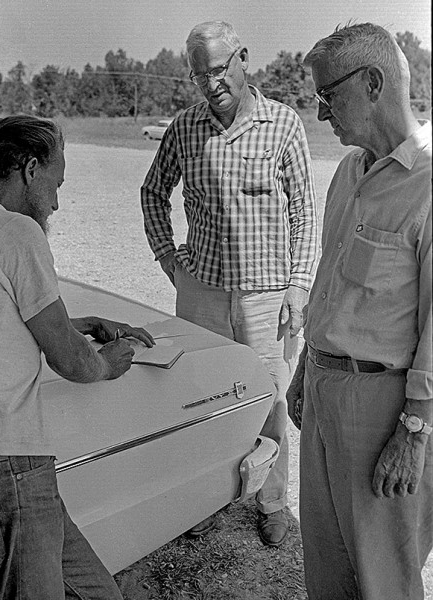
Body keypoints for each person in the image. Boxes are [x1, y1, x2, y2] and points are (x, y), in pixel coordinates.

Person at [0, 115, 155, 600]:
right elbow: (72, 362)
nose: (57, 202)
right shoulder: (17, 233)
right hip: (6, 469)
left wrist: (75, 324)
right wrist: (109, 362)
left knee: (97, 592)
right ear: (29, 168)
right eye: (56, 183)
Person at [141, 21, 318, 546]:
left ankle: (273, 503)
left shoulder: (284, 124)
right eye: (200, 76)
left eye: (219, 70)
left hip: (267, 297)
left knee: (270, 400)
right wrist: (169, 259)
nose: (212, 84)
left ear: (243, 58)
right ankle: (202, 500)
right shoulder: (185, 126)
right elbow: (153, 192)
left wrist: (299, 285)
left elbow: (306, 212)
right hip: (201, 291)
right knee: (198, 397)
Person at [286, 23, 432, 599]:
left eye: (328, 96)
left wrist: (415, 428)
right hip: (324, 388)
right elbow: (330, 285)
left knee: (382, 578)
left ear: (373, 82)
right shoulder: (349, 172)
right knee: (325, 566)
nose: (321, 114)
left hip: (383, 407)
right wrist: (304, 370)